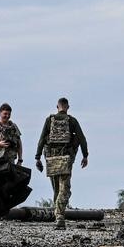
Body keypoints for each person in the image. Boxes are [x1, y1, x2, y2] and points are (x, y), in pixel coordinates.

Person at [35, 97, 88, 229]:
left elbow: (42, 139)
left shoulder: (49, 120)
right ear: (68, 107)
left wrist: (37, 157)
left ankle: (57, 214)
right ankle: (59, 216)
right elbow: (82, 138)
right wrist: (85, 155)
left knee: (56, 188)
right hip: (66, 158)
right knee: (65, 188)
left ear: (57, 107)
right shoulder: (72, 121)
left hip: (51, 158)